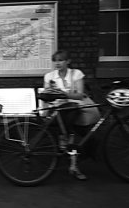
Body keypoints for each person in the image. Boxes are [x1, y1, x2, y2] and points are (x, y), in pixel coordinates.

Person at [43, 50, 100, 181]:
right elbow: (47, 95)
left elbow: (80, 95)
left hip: (77, 112)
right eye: (55, 60)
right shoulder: (49, 76)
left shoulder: (76, 74)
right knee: (71, 133)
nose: (57, 63)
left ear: (68, 61)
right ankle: (71, 159)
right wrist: (45, 111)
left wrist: (62, 94)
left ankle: (73, 160)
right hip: (58, 112)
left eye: (61, 60)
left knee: (87, 137)